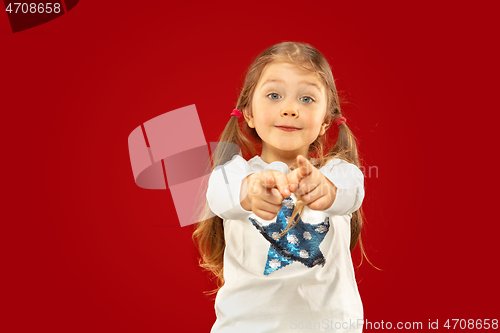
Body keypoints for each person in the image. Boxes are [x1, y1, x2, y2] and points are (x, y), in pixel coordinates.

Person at [192, 41, 367, 333]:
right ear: (248, 112)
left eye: (307, 99)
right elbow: (220, 195)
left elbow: (351, 193)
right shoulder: (233, 173)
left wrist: (326, 190)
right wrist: (251, 192)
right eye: (274, 95)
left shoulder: (339, 173)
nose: (289, 109)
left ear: (326, 121)